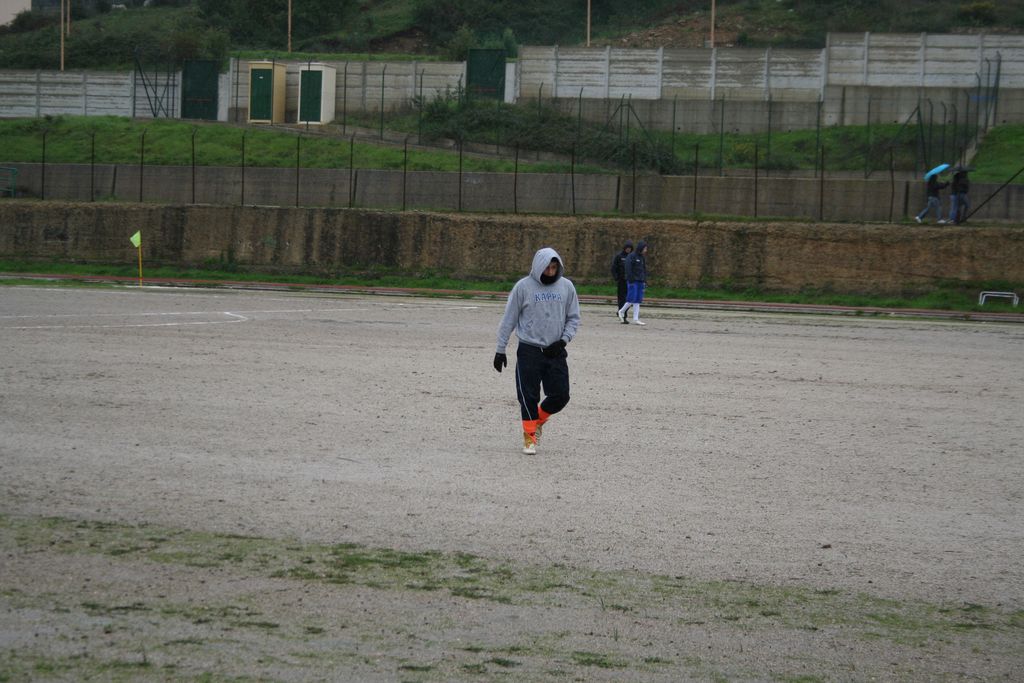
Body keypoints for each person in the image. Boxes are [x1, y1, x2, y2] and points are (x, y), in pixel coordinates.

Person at [493, 247, 581, 455]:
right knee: (528, 396)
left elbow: (574, 318)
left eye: (554, 268)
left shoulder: (567, 287)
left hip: (555, 350)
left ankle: (538, 420)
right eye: (547, 268)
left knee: (561, 395)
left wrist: (563, 341)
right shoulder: (523, 287)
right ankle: (529, 438)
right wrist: (500, 349)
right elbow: (509, 319)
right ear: (538, 266)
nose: (550, 272)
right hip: (529, 350)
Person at [617, 240, 648, 326]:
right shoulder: (631, 256)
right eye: (645, 248)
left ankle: (635, 318)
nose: (646, 250)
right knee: (631, 298)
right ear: (641, 248)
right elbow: (628, 268)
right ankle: (621, 311)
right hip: (633, 281)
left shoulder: (642, 258)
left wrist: (644, 280)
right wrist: (630, 279)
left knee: (638, 300)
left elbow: (644, 270)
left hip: (640, 281)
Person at [610, 239, 633, 322]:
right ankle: (623, 315)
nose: (628, 250)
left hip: (629, 281)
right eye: (627, 248)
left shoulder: (632, 256)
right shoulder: (619, 256)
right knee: (621, 298)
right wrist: (616, 277)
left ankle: (621, 311)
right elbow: (613, 267)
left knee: (629, 299)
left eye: (630, 248)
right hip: (621, 281)